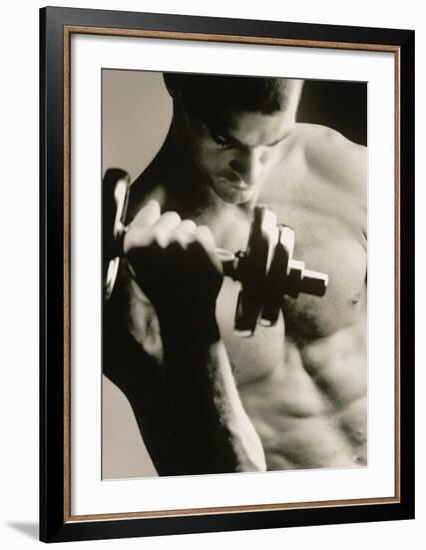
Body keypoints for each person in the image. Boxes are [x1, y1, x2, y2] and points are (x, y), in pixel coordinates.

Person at [103, 74, 367, 476]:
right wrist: (187, 320)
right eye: (225, 140)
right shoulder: (127, 278)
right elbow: (212, 490)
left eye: (272, 143)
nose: (250, 174)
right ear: (178, 84)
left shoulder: (350, 172)